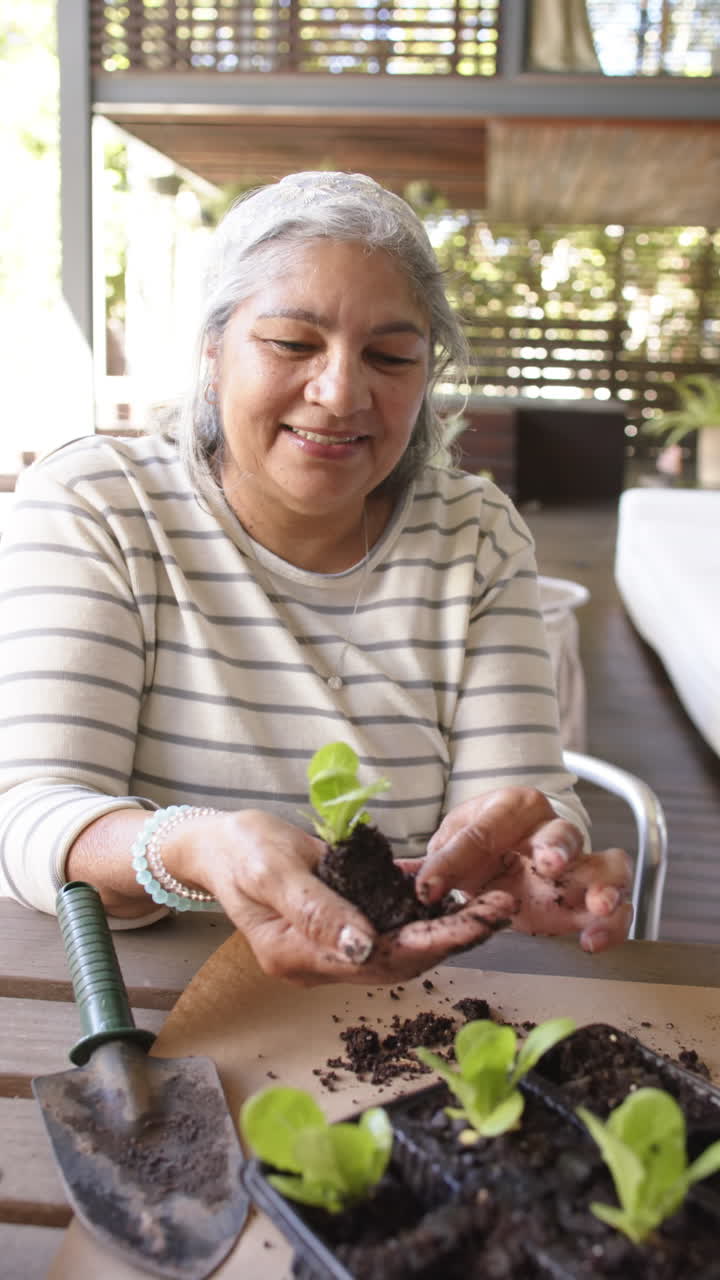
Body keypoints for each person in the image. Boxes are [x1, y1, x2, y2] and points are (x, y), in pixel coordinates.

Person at [0, 171, 631, 986]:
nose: (339, 393)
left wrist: (537, 853)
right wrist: (192, 847)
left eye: (391, 355)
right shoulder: (101, 506)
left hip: (405, 1005)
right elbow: (31, 811)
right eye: (293, 344)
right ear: (212, 352)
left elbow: (520, 797)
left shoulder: (474, 534)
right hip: (147, 1005)